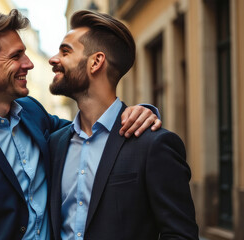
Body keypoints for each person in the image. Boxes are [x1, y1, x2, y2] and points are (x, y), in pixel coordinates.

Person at [0, 9, 161, 240]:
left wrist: (139, 112)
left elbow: (91, 131)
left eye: (25, 53)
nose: (29, 64)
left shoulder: (32, 112)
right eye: (16, 56)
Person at [48, 10, 199, 240]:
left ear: (96, 62)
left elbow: (180, 234)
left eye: (65, 51)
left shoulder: (153, 145)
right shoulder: (55, 144)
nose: (53, 59)